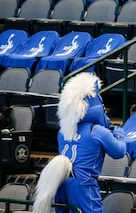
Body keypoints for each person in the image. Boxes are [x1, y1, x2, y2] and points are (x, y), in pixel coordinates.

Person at [32, 72, 127, 213]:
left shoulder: (63, 131)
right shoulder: (97, 131)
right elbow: (119, 152)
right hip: (82, 182)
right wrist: (119, 134)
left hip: (60, 179)